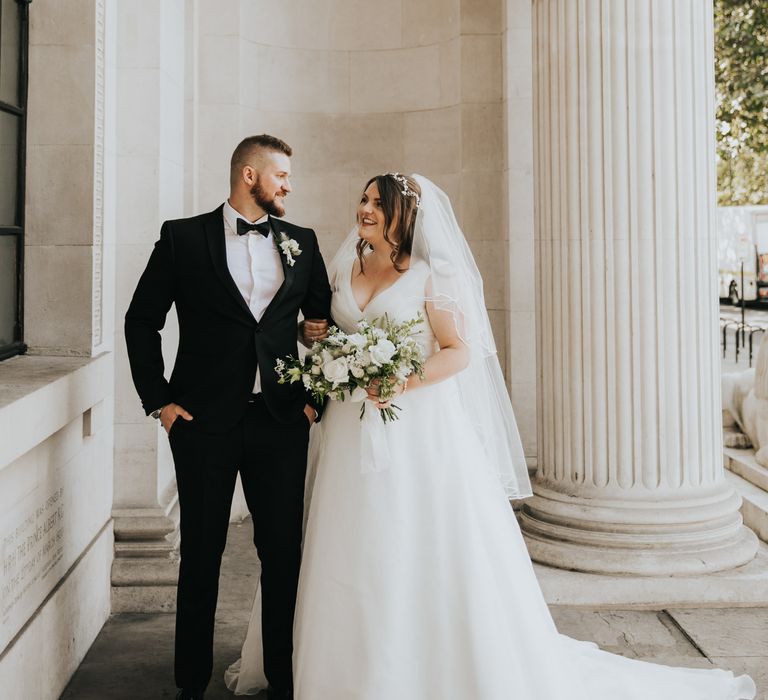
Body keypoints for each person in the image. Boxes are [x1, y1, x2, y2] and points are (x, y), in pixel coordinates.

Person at [227, 173, 756, 699]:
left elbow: (459, 350)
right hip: (346, 430)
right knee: (339, 538)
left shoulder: (432, 274)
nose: (364, 208)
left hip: (414, 429)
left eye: (376, 202)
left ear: (402, 214)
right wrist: (313, 338)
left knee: (408, 537)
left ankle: (414, 669)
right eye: (362, 198)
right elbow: (325, 330)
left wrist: (401, 379)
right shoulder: (344, 265)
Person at [124, 134, 332, 700]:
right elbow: (141, 320)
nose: (288, 186)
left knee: (282, 552)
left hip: (280, 420)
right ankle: (191, 684)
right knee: (201, 554)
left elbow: (325, 321)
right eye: (281, 175)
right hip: (201, 423)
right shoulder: (182, 238)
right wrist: (159, 401)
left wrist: (314, 396)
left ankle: (282, 681)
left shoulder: (301, 241)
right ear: (249, 176)